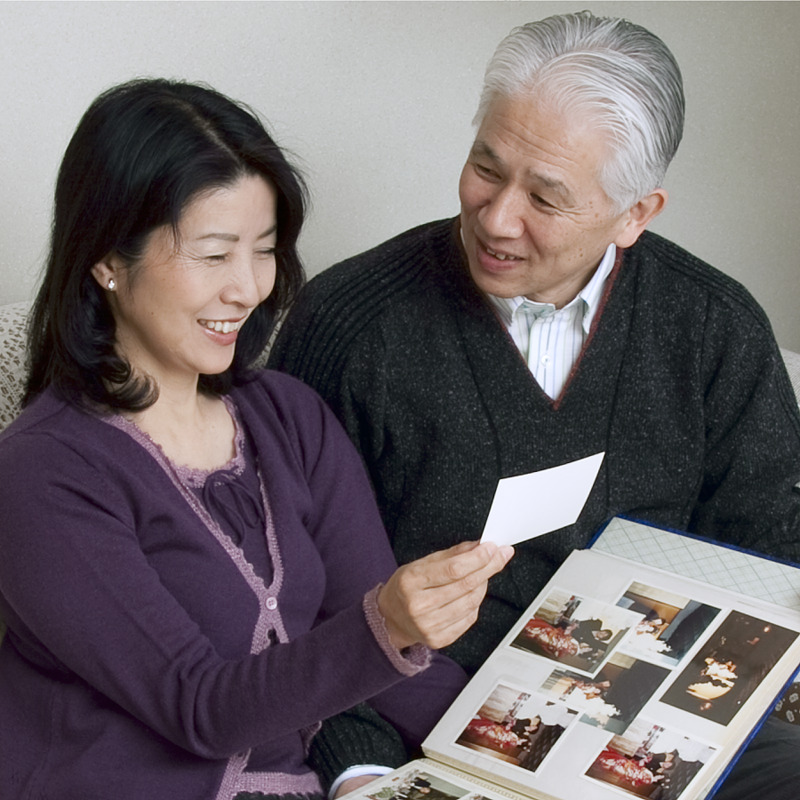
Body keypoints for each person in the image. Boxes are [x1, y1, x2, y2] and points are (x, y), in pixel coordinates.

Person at [268, 11, 800, 798]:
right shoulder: (349, 322)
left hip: (653, 731)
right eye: (486, 167)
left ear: (635, 215)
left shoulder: (714, 327)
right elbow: (280, 589)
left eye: (545, 198)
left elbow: (772, 557)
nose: (496, 217)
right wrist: (357, 768)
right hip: (406, 724)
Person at [0, 79, 514, 799]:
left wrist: (531, 750)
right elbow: (200, 707)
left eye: (264, 250)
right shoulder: (44, 471)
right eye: (214, 255)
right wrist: (389, 623)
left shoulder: (287, 417)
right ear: (108, 259)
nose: (248, 288)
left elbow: (395, 668)